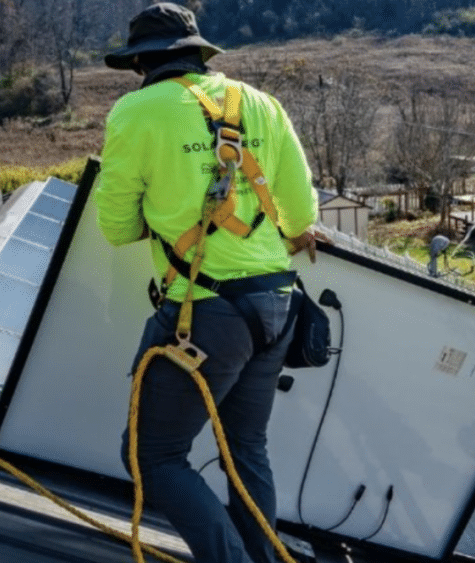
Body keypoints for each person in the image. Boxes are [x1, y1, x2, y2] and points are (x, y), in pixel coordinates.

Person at [94, 4, 320, 563]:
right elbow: (300, 212)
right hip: (277, 306)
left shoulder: (136, 112)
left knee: (153, 456)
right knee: (246, 449)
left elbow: (117, 227)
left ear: (142, 62)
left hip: (204, 314)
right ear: (199, 53)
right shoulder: (260, 104)